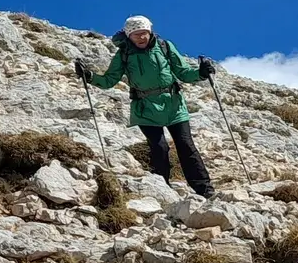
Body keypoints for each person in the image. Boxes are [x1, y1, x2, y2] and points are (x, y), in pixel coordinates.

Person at [75, 16, 220, 198]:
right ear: (129, 36)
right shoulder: (124, 54)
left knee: (186, 145)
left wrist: (201, 73)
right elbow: (109, 80)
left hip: (174, 106)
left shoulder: (165, 46)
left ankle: (205, 190)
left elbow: (182, 72)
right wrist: (88, 76)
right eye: (136, 35)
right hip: (145, 109)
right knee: (159, 148)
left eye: (144, 33)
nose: (141, 38)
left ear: (150, 32)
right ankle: (163, 190)